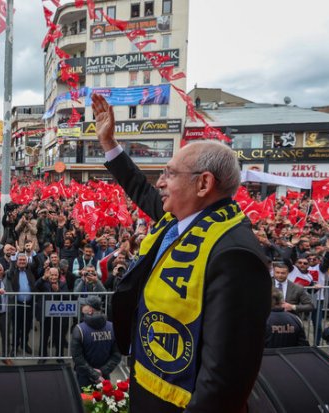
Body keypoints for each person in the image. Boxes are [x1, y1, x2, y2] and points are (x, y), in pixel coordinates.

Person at [92, 93, 271, 412]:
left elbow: (226, 378)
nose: (159, 182)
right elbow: (139, 187)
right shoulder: (178, 219)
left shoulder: (235, 255)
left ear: (204, 184)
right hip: (148, 381)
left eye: (169, 173)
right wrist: (109, 143)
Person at [70, 296, 121, 388]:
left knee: (83, 401)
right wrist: (102, 372)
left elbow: (77, 358)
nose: (82, 306)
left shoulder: (79, 329)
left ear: (90, 310)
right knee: (103, 401)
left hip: (84, 377)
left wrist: (94, 374)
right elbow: (117, 355)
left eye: (85, 305)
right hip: (104, 377)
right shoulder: (112, 327)